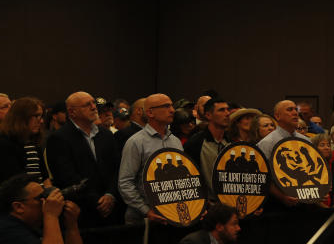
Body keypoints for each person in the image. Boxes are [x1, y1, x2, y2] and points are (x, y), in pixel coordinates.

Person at [44, 91, 121, 227]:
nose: (93, 107)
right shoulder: (59, 138)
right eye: (87, 105)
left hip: (112, 207)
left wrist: (111, 194)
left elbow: (116, 168)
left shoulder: (106, 135)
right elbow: (66, 176)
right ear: (72, 112)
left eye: (93, 103)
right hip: (81, 211)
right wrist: (97, 201)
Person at [118, 94, 182, 224]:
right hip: (142, 218)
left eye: (172, 106)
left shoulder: (176, 141)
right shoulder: (136, 142)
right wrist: (146, 210)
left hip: (172, 214)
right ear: (150, 113)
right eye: (166, 106)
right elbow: (125, 183)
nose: (172, 110)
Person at [184, 98, 230, 191]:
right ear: (208, 115)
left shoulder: (231, 142)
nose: (227, 113)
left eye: (227, 109)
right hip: (207, 202)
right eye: (221, 110)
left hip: (230, 200)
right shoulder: (195, 143)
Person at [0, 97, 49, 184]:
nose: (41, 121)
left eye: (41, 116)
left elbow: (45, 177)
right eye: (36, 116)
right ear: (21, 118)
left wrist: (51, 192)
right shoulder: (4, 143)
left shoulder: (33, 142)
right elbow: (15, 184)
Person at [313, 133, 334, 208]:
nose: (327, 148)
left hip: (331, 206)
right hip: (313, 207)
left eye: (328, 145)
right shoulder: (308, 166)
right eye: (322, 145)